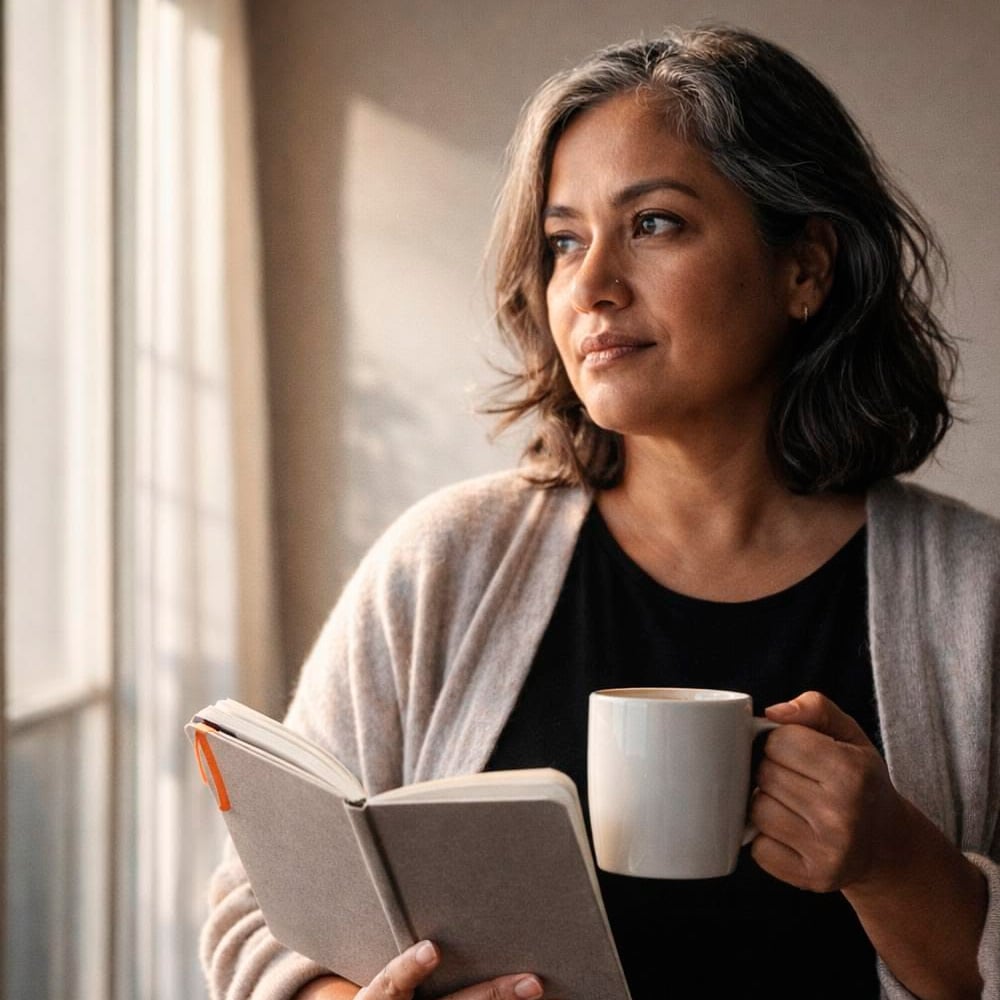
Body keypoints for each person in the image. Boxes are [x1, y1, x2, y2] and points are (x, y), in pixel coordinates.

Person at [202, 25, 999, 1000]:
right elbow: (255, 903)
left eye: (654, 223)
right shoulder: (446, 565)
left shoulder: (974, 597)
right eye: (562, 241)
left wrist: (894, 860)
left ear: (805, 269)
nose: (590, 285)